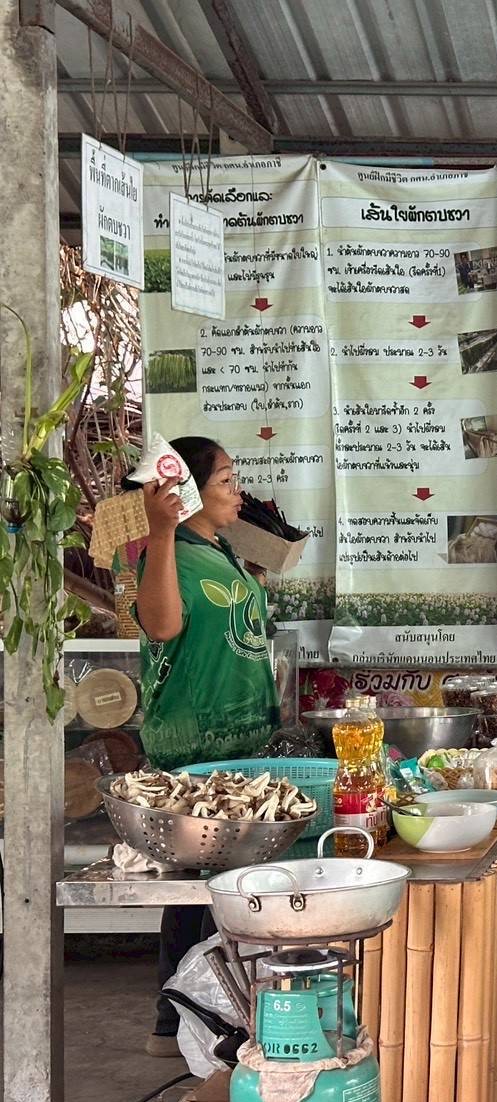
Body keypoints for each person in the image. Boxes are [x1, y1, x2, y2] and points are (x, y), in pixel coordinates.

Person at [134, 437, 280, 1057]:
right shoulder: (169, 552)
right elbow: (162, 627)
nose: (237, 491)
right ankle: (175, 1023)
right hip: (193, 744)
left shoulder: (219, 548)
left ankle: (218, 1019)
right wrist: (160, 532)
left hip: (242, 733)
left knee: (222, 886)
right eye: (226, 480)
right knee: (194, 891)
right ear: (190, 492)